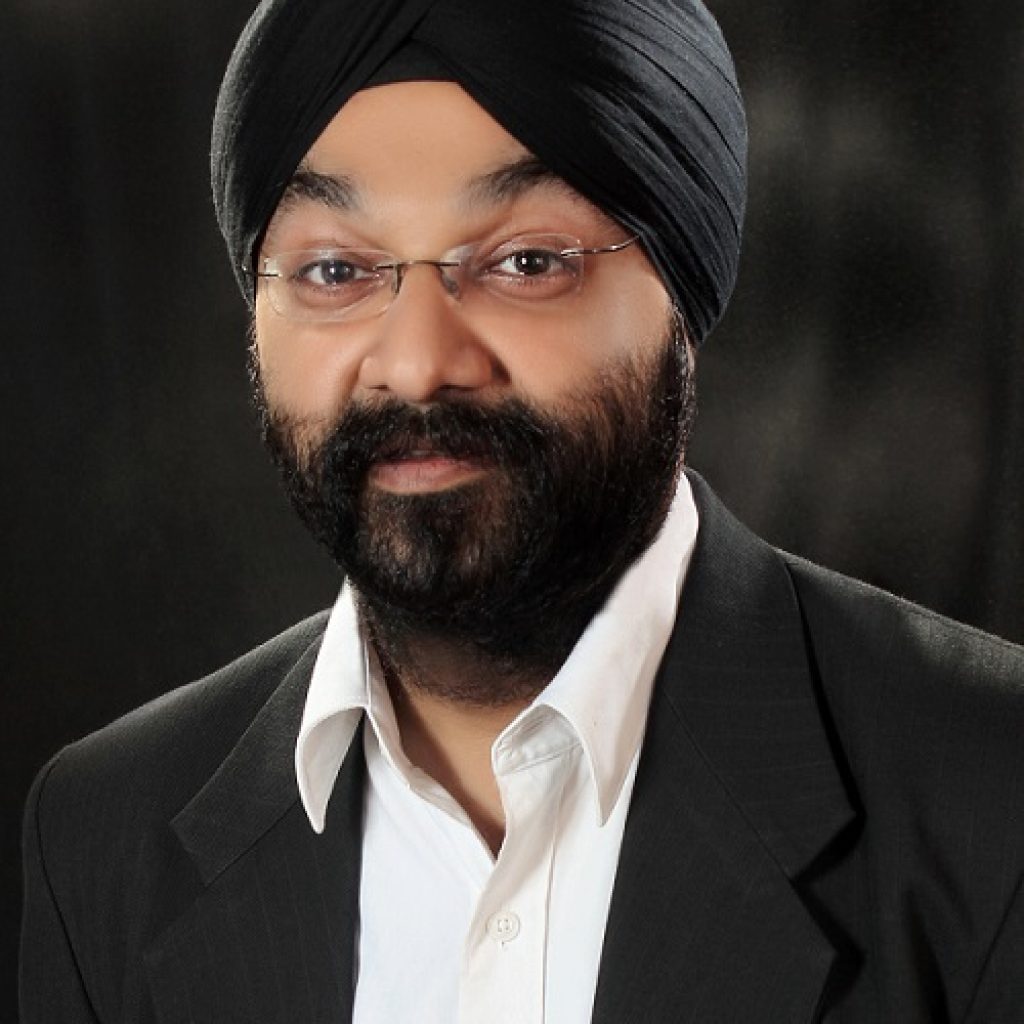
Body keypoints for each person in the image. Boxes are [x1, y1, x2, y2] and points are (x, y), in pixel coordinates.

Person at [20, 1, 1023, 1021]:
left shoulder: (992, 795)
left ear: (680, 297)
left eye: (526, 263)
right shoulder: (102, 837)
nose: (418, 363)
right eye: (336, 271)